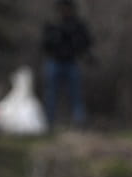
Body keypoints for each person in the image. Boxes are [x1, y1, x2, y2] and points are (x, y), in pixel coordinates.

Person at [39, 0, 93, 132]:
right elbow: (44, 45)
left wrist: (78, 46)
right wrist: (55, 38)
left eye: (67, 8)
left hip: (71, 62)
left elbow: (86, 42)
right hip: (54, 62)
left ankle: (79, 123)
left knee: (76, 95)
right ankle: (49, 123)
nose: (65, 11)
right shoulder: (52, 24)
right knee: (51, 94)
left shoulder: (77, 25)